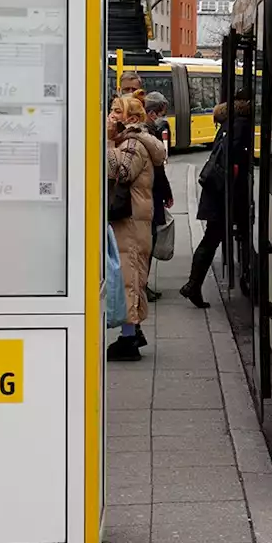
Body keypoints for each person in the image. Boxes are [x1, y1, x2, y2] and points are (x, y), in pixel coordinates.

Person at [106, 94, 166, 361]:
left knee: (129, 278)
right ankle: (134, 330)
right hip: (135, 219)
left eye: (115, 112)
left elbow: (120, 174)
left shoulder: (131, 142)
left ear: (130, 119)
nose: (110, 116)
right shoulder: (133, 140)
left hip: (130, 221)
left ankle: (128, 339)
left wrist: (107, 141)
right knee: (132, 276)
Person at [182, 101, 233, 308]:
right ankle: (192, 285)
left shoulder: (224, 130)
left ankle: (193, 285)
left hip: (214, 195)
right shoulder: (233, 130)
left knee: (210, 239)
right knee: (210, 240)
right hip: (219, 197)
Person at [141, 91, 173, 302]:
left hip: (145, 196)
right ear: (152, 114)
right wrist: (167, 193)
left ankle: (142, 285)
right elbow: (157, 169)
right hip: (147, 198)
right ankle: (142, 286)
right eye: (160, 114)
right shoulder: (149, 135)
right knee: (146, 243)